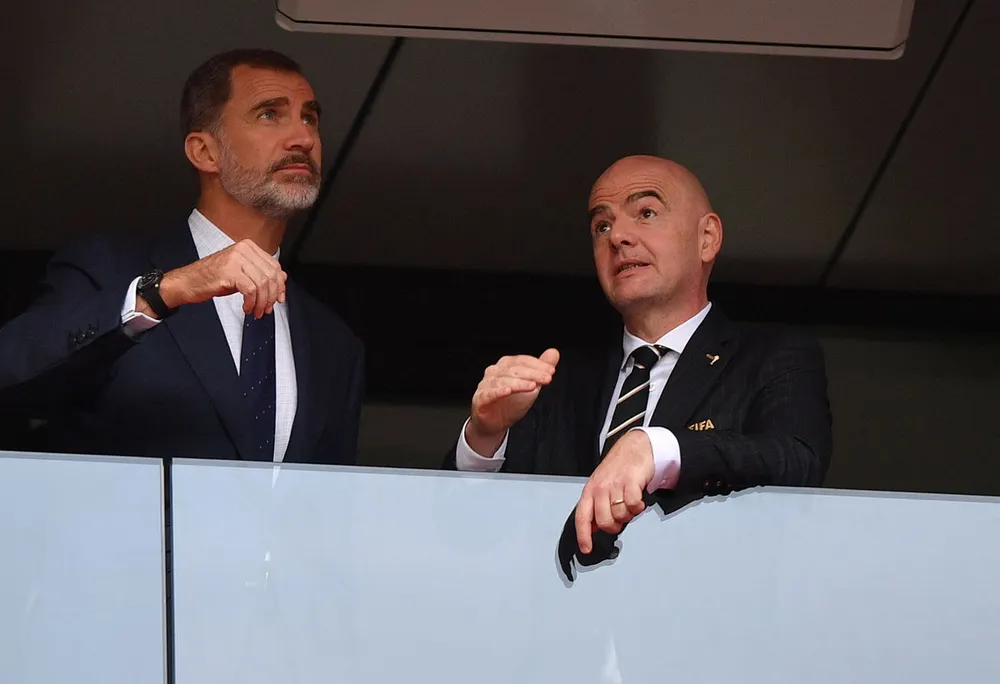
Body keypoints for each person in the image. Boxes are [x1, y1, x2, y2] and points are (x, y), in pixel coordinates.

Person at [444, 155, 832, 553]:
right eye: (602, 225)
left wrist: (656, 448)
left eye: (646, 213)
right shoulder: (555, 381)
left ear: (707, 238)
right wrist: (485, 436)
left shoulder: (771, 356)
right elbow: (464, 531)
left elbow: (797, 460)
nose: (617, 237)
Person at [0, 49, 364, 465]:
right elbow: (12, 381)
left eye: (310, 118)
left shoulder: (333, 344)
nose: (304, 138)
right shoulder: (106, 271)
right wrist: (166, 290)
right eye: (269, 114)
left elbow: (328, 497)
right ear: (205, 152)